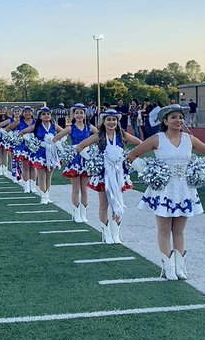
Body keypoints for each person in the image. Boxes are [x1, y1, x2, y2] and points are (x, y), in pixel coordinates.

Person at [126, 105, 205, 280]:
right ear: (165, 121)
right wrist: (148, 173)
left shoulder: (190, 139)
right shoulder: (157, 139)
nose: (178, 120)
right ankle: (168, 267)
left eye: (181, 117)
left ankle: (180, 267)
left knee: (180, 230)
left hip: (184, 189)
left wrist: (196, 170)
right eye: (174, 117)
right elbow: (132, 155)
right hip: (163, 189)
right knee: (164, 229)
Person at [73, 109, 142, 244]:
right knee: (104, 204)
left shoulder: (122, 135)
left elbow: (141, 144)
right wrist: (92, 160)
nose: (111, 122)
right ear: (103, 122)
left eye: (114, 119)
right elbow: (80, 147)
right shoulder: (99, 135)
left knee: (117, 202)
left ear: (117, 121)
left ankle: (115, 232)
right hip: (103, 175)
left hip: (119, 175)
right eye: (108, 120)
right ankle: (106, 233)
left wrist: (128, 157)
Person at [55, 104, 94, 223]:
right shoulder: (70, 128)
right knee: (76, 189)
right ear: (73, 115)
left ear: (85, 114)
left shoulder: (90, 127)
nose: (79, 115)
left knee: (85, 189)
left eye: (81, 113)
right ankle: (76, 214)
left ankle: (83, 214)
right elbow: (55, 139)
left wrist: (94, 149)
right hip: (75, 159)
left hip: (87, 159)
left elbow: (100, 137)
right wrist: (65, 151)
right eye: (77, 113)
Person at [31, 107, 60, 204]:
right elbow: (22, 133)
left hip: (51, 153)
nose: (46, 116)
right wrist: (32, 142)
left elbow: (66, 133)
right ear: (40, 116)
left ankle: (47, 195)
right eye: (43, 114)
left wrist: (60, 141)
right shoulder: (36, 126)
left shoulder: (54, 126)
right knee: (41, 175)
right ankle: (43, 196)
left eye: (48, 114)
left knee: (49, 175)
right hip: (40, 153)